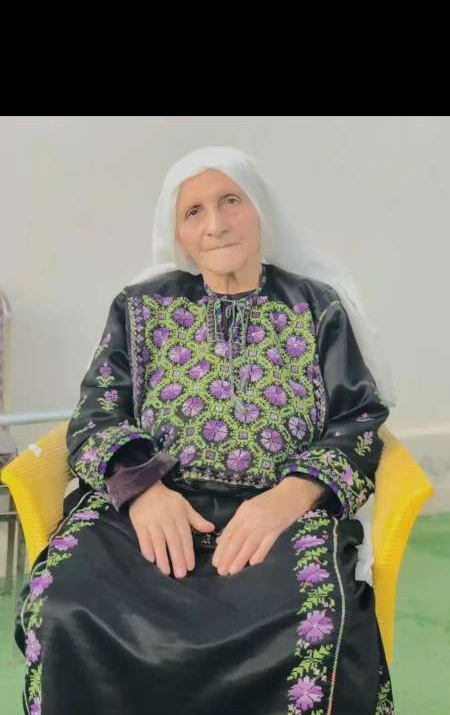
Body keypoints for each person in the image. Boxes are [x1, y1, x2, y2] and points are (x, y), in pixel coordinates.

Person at [15, 146, 396, 714]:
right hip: (148, 511)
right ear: (178, 233)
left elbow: (358, 417)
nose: (215, 224)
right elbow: (97, 413)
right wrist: (143, 492)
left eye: (230, 201)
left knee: (317, 624)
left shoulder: (317, 307)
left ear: (259, 207)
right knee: (65, 606)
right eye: (193, 211)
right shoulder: (140, 307)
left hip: (275, 517)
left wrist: (290, 496)